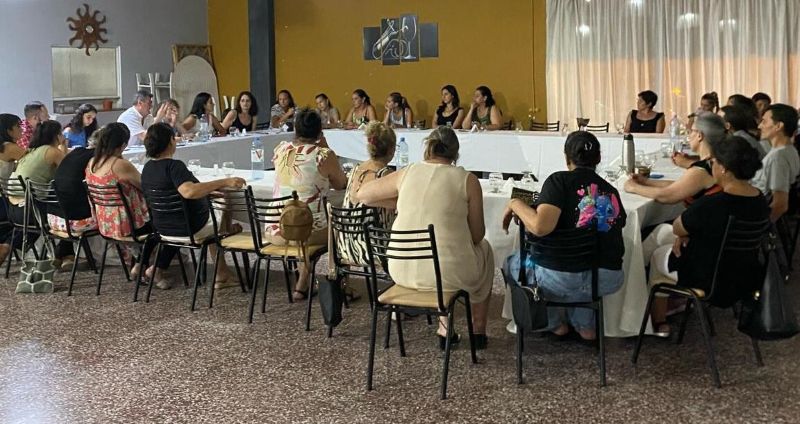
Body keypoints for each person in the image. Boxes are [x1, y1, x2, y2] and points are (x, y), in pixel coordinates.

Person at [359, 126, 494, 349]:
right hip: (448, 275)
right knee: (485, 250)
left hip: (400, 269)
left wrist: (400, 202)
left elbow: (363, 195)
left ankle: (445, 325)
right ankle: (477, 330)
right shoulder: (467, 180)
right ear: (455, 153)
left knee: (438, 257)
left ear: (427, 149)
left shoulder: (408, 172)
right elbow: (477, 235)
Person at [501, 131, 626, 341]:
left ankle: (553, 324)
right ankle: (585, 326)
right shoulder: (610, 190)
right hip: (607, 277)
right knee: (582, 263)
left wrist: (515, 203)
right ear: (598, 158)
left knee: (512, 263)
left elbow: (540, 227)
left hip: (559, 279)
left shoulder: (558, 181)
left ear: (567, 157)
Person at [642, 136, 769, 336]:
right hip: (745, 277)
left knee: (658, 254)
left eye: (713, 162)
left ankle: (655, 320)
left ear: (724, 168)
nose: (711, 166)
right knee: (664, 236)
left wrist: (685, 234)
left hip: (708, 279)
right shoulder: (760, 200)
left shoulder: (714, 203)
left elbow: (678, 227)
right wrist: (687, 234)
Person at [141, 123, 245, 289]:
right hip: (190, 228)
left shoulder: (147, 168)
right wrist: (224, 182)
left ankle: (222, 267)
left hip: (163, 229)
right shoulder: (174, 166)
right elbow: (189, 192)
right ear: (170, 141)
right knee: (223, 202)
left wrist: (206, 191)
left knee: (213, 218)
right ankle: (225, 238)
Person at [270, 108, 348, 300]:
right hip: (307, 230)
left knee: (306, 224)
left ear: (295, 130)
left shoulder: (281, 149)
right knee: (340, 230)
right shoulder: (322, 155)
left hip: (276, 230)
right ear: (320, 131)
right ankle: (343, 288)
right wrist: (326, 146)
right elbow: (341, 184)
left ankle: (302, 283)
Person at [84, 123, 168, 288]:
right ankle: (148, 266)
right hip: (127, 225)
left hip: (105, 224)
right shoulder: (120, 165)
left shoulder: (92, 163)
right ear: (122, 145)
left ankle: (140, 264)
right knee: (164, 225)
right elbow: (146, 186)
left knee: (154, 224)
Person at [9, 120, 76, 268]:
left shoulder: (31, 151)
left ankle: (64, 255)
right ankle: (65, 254)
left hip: (15, 210)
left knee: (62, 205)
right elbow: (68, 171)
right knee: (71, 208)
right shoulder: (52, 151)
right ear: (56, 136)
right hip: (33, 212)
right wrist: (63, 146)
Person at [624, 114, 725, 205]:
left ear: (700, 136)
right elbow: (680, 186)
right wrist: (646, 181)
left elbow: (667, 195)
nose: (689, 135)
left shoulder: (702, 170)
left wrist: (633, 187)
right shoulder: (715, 161)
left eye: (691, 131)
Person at [340, 122, 397, 267]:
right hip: (375, 248)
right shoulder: (385, 175)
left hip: (346, 245)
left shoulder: (354, 170)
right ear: (392, 150)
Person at [752, 104, 800, 221]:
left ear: (778, 126)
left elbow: (780, 204)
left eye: (764, 122)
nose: (759, 126)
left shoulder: (778, 157)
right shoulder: (790, 150)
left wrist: (762, 227)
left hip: (759, 215)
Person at [0, 114, 27, 266]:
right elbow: (33, 160)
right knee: (34, 218)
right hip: (2, 204)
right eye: (18, 126)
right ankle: (6, 246)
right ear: (9, 130)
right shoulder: (9, 147)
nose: (21, 130)